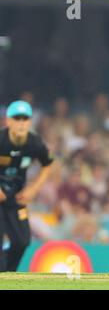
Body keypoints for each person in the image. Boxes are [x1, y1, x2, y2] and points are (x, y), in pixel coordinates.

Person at [0, 100, 53, 271]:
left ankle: (8, 275)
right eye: (17, 119)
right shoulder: (1, 140)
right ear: (8, 121)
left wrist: (33, 189)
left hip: (16, 197)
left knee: (22, 241)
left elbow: (47, 164)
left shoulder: (35, 143)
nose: (21, 123)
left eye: (25, 119)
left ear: (30, 122)